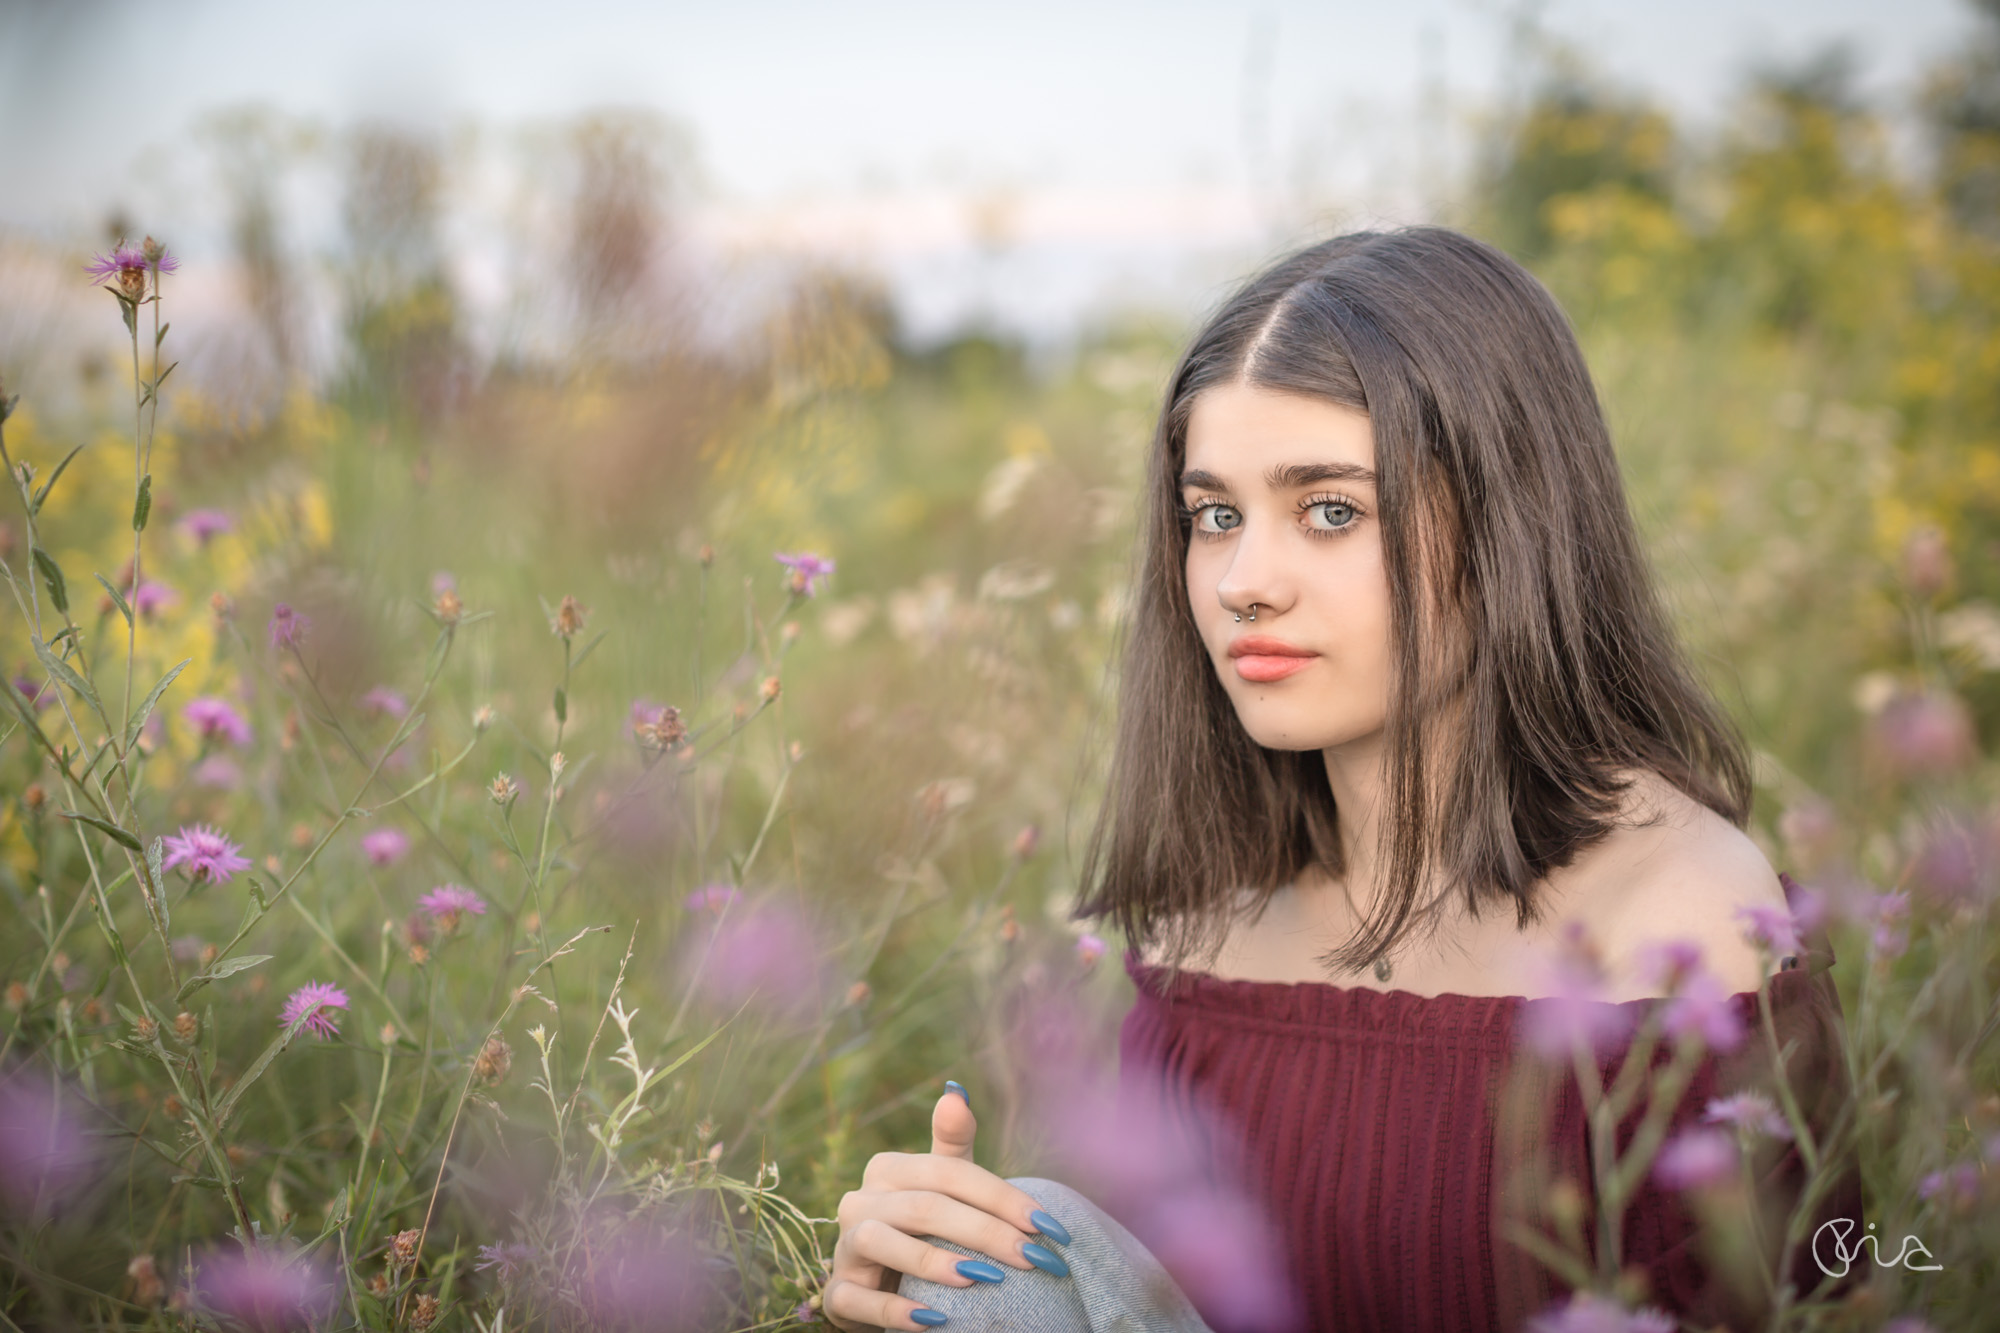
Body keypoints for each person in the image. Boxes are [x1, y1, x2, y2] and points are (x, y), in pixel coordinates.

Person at [820, 227, 1861, 1333]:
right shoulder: (1200, 929)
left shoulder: (1685, 920)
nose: (1241, 583)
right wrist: (946, 1268)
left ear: (1510, 526)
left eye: (1329, 510)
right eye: (1213, 515)